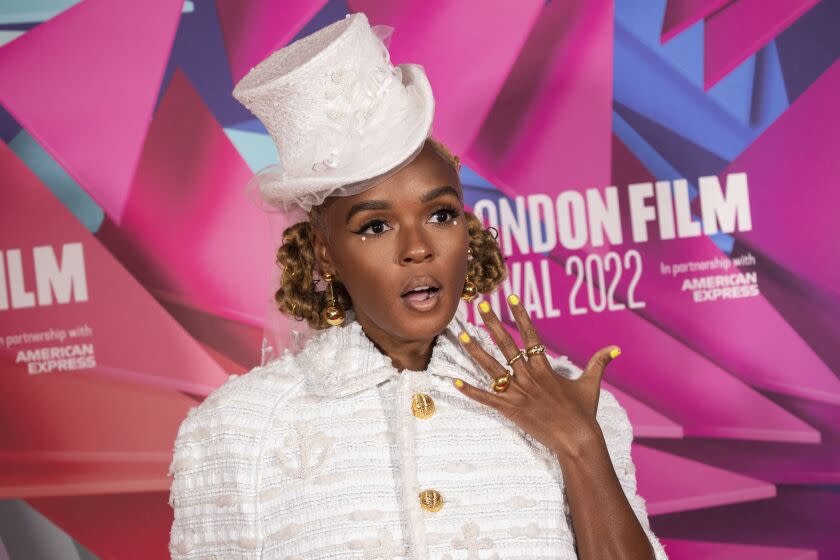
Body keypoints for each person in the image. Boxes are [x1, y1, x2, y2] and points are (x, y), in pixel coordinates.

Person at [167, 12, 668, 560]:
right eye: (375, 226)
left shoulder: (570, 399)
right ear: (325, 253)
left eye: (441, 215)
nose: (417, 247)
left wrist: (580, 445)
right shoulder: (238, 433)